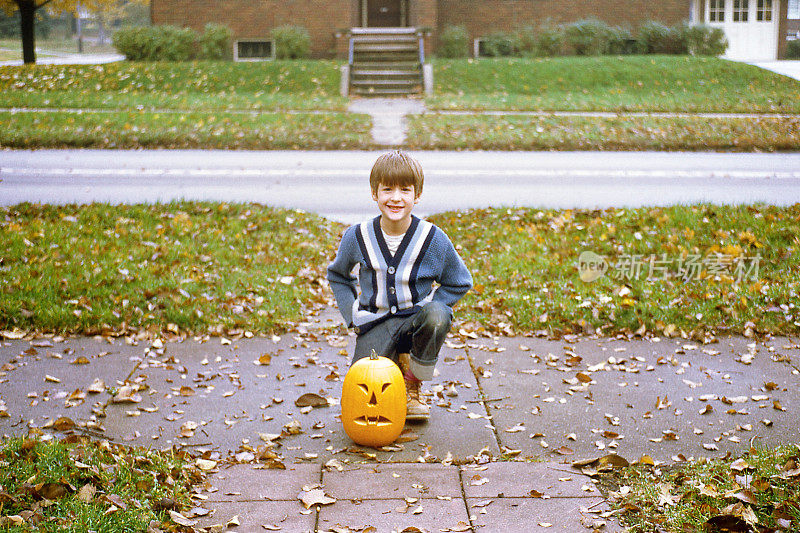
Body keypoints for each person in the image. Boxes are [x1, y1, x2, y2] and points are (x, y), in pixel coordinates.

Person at [327, 150, 472, 421]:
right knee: (363, 398)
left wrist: (432, 305)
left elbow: (459, 281)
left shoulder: (433, 239)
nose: (395, 197)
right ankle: (394, 361)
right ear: (374, 193)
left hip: (416, 319)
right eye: (387, 189)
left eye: (405, 190)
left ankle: (412, 382)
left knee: (438, 316)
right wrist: (351, 316)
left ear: (417, 195)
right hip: (375, 323)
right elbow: (338, 275)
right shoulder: (357, 236)